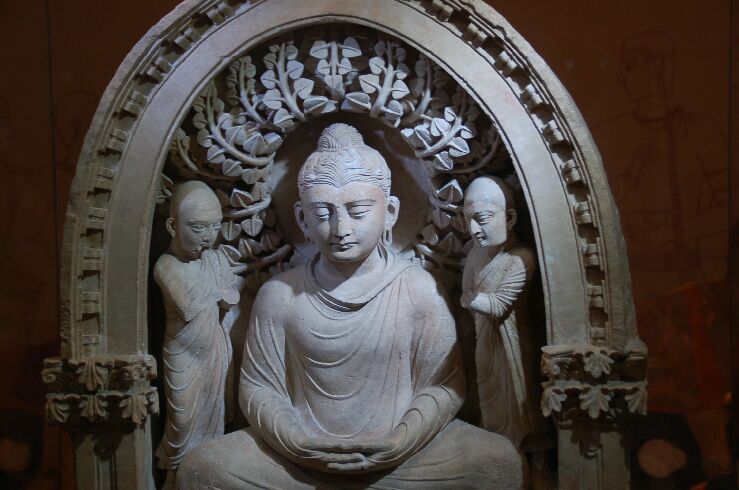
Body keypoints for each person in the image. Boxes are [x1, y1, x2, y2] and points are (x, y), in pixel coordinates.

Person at [176, 124, 524, 489]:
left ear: (390, 212)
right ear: (301, 218)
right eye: (322, 213)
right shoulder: (279, 294)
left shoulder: (418, 288)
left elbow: (443, 387)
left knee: (499, 463)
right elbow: (259, 390)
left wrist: (400, 441)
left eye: (357, 211)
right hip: (298, 462)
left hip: (403, 458)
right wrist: (297, 442)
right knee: (202, 469)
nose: (340, 228)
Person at [154, 181, 243, 487]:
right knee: (182, 423)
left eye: (215, 227)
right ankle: (174, 482)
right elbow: (188, 307)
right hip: (183, 357)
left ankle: (204, 479)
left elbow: (232, 296)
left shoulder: (215, 258)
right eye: (198, 227)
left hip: (214, 352)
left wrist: (221, 291)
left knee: (213, 421)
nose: (208, 237)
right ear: (172, 226)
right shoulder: (167, 266)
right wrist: (218, 290)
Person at [461, 176, 543, 448]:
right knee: (489, 402)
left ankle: (526, 455)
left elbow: (497, 306)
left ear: (509, 218)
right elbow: (468, 294)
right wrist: (472, 300)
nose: (474, 229)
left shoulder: (521, 258)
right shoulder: (475, 255)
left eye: (482, 219)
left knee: (517, 407)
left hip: (511, 344)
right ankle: (496, 453)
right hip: (484, 341)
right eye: (468, 220)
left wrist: (471, 299)